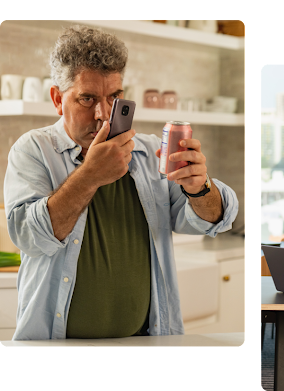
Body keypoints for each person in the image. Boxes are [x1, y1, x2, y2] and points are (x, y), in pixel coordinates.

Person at [4, 25, 239, 340]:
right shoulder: (32, 149)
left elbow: (209, 222)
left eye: (114, 97)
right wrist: (91, 174)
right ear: (58, 99)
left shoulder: (147, 150)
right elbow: (27, 236)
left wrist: (200, 188)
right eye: (87, 99)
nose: (103, 114)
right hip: (55, 342)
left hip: (146, 339)